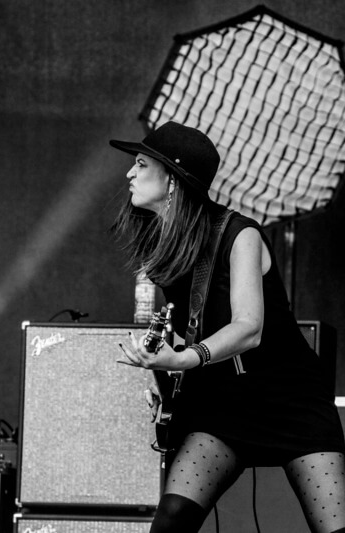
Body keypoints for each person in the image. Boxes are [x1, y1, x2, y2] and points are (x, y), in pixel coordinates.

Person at [112, 121, 345, 533]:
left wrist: (184, 358)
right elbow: (193, 327)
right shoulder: (165, 242)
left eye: (142, 164)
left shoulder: (241, 236)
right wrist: (161, 374)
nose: (130, 173)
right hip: (223, 406)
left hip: (289, 400)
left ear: (172, 180)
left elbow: (248, 328)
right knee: (171, 520)